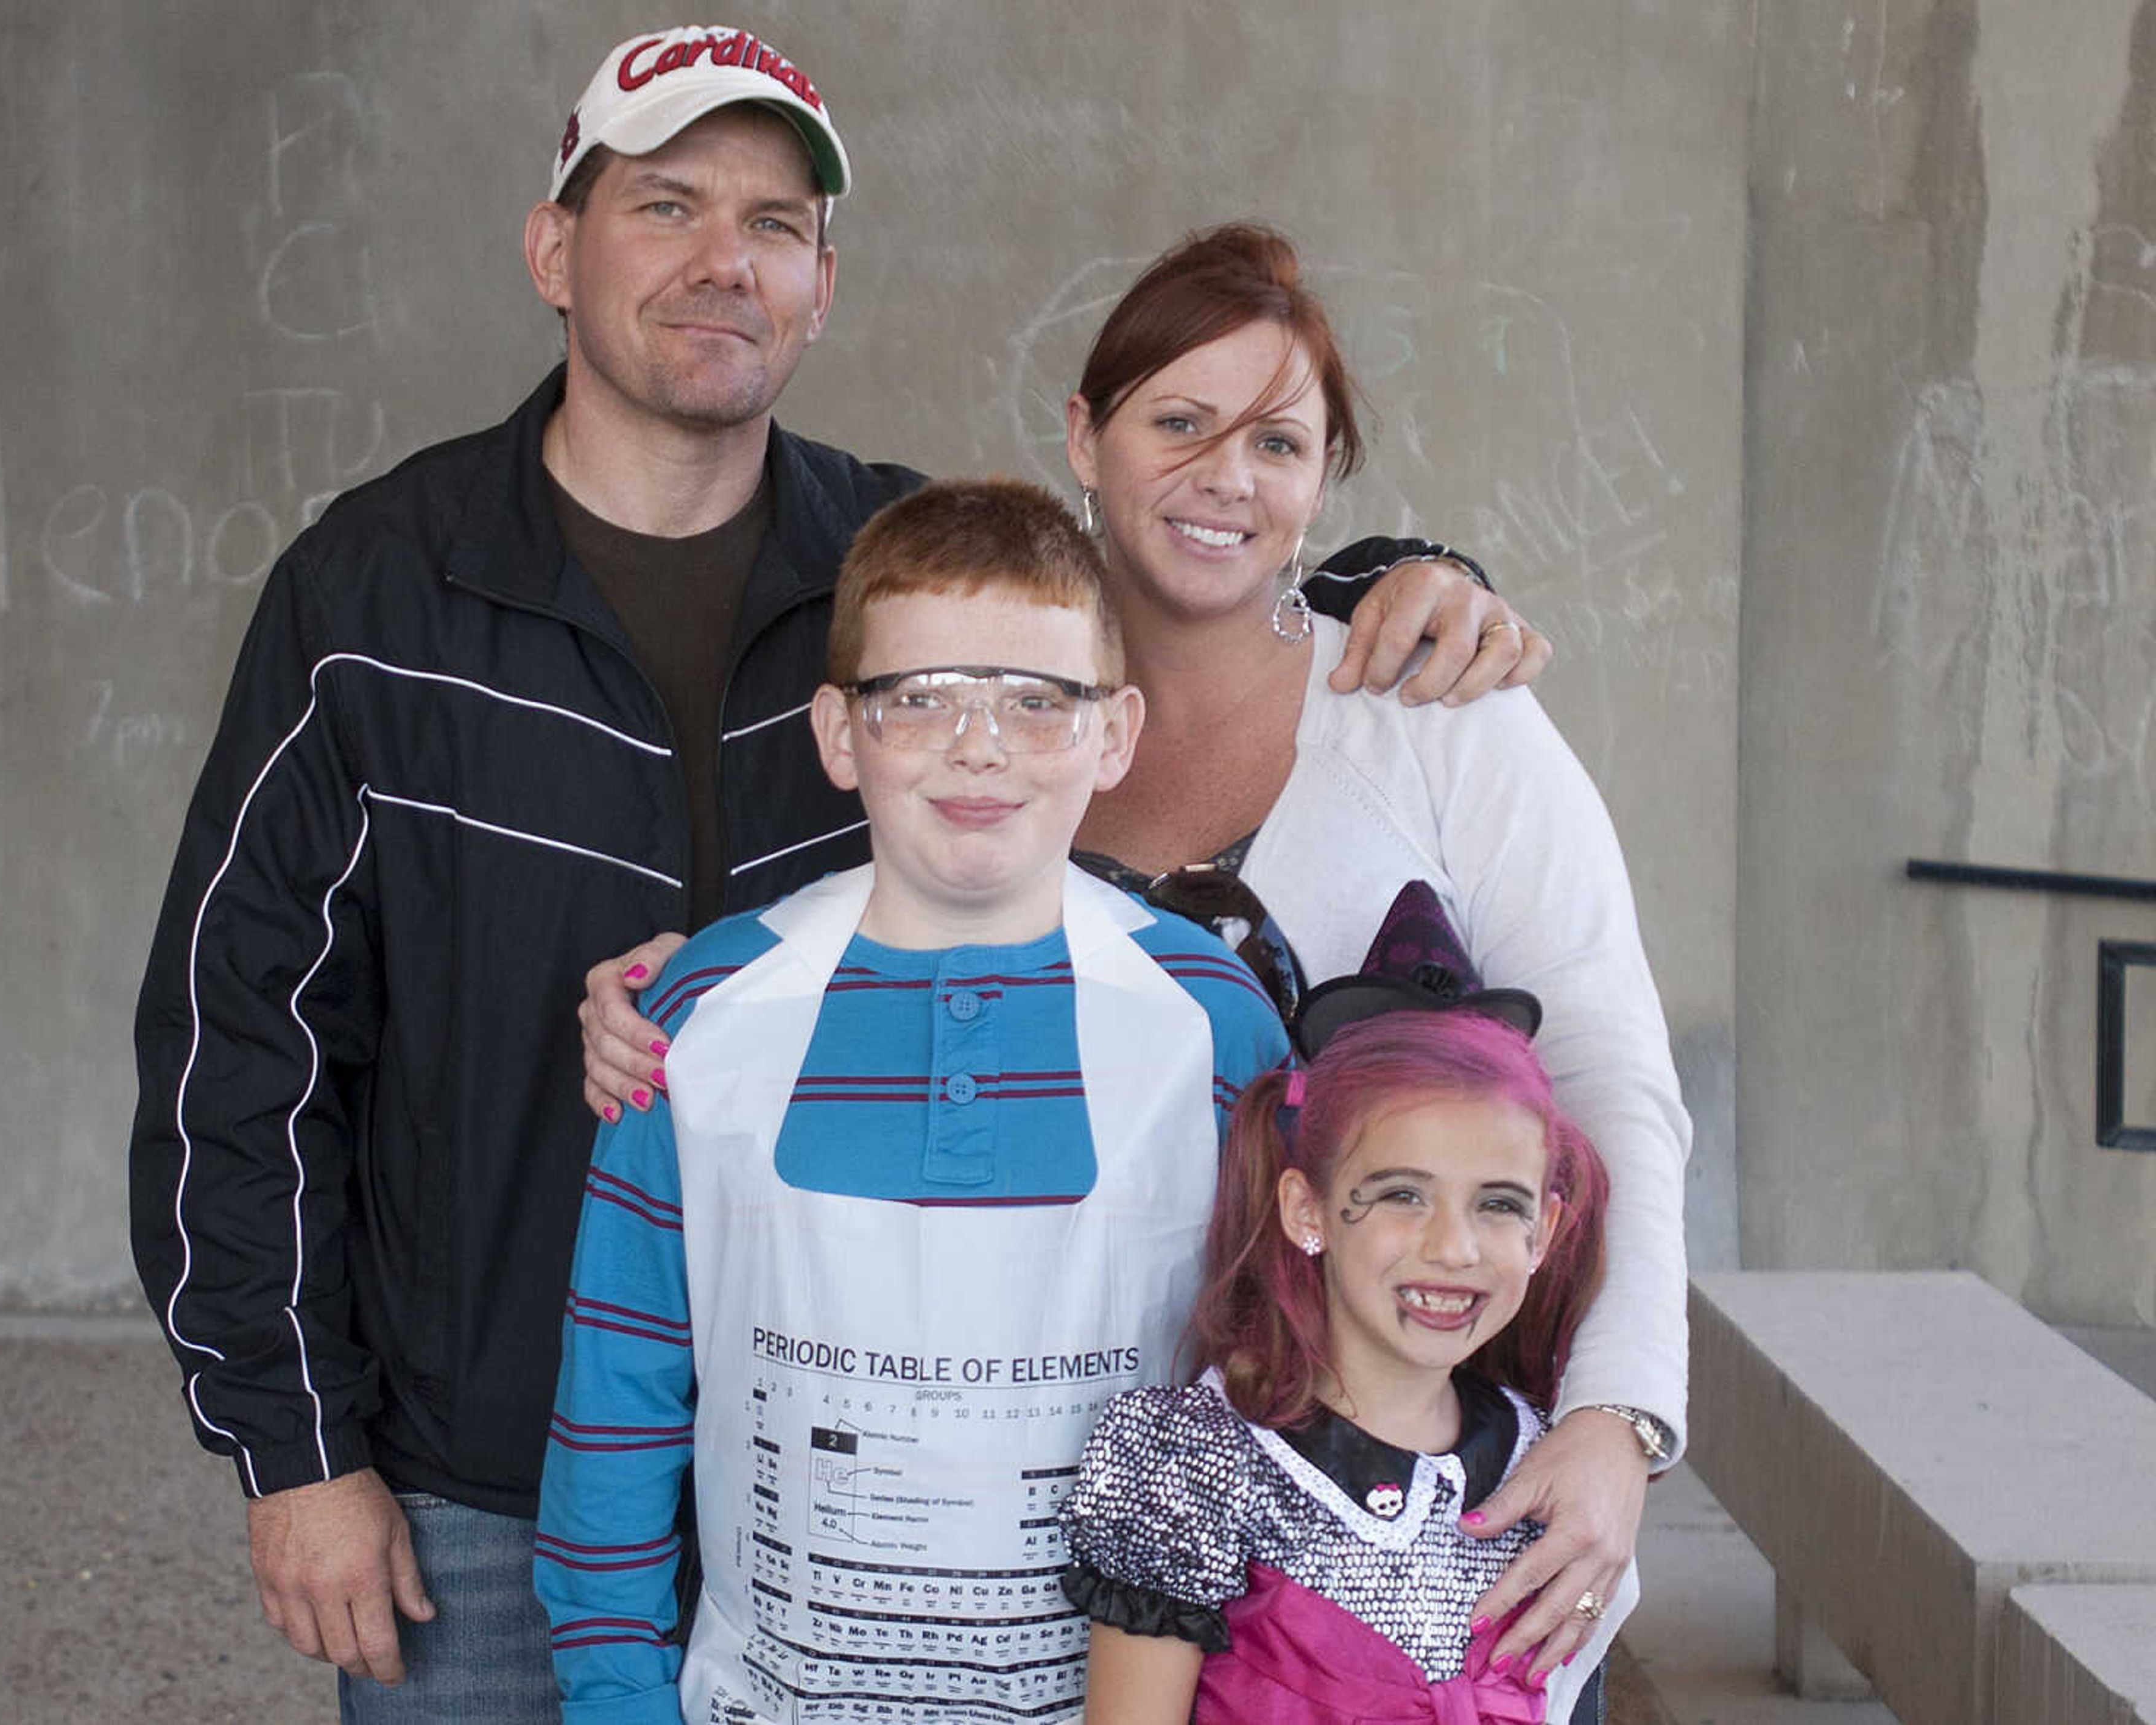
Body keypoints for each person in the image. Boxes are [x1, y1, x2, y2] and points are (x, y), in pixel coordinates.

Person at [127, 22, 1538, 1719]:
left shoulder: (890, 565)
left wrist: (1398, 571)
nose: (726, 261)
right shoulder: (372, 602)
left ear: (823, 284)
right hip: (487, 1484)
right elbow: (236, 1048)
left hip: (925, 1508)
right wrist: (295, 1454)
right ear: (553, 248)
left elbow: (1160, 557)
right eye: (667, 205)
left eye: (777, 224)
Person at [584, 222, 1688, 1682]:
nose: (1225, 476)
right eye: (1178, 422)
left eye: (1277, 441)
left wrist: (1619, 1420)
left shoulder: (1437, 704)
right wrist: (662, 999)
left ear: (1320, 481)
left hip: (1421, 1508)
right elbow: (818, 961)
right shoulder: (997, 703)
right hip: (1080, 1539)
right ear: (1083, 437)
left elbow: (1608, 1077)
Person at [535, 478, 1292, 1724]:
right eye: (919, 698)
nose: (978, 747)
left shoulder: (1213, 1022)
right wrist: (614, 1693)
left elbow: (1272, 1382)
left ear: (1117, 733)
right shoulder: (704, 1012)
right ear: (840, 734)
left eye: (1039, 703)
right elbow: (620, 1389)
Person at [1060, 1002, 1622, 1724]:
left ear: (1543, 1231)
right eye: (1403, 1195)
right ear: (1307, 1211)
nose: (1455, 1248)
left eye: (1498, 1205)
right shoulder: (1194, 1457)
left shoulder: (1547, 1466)